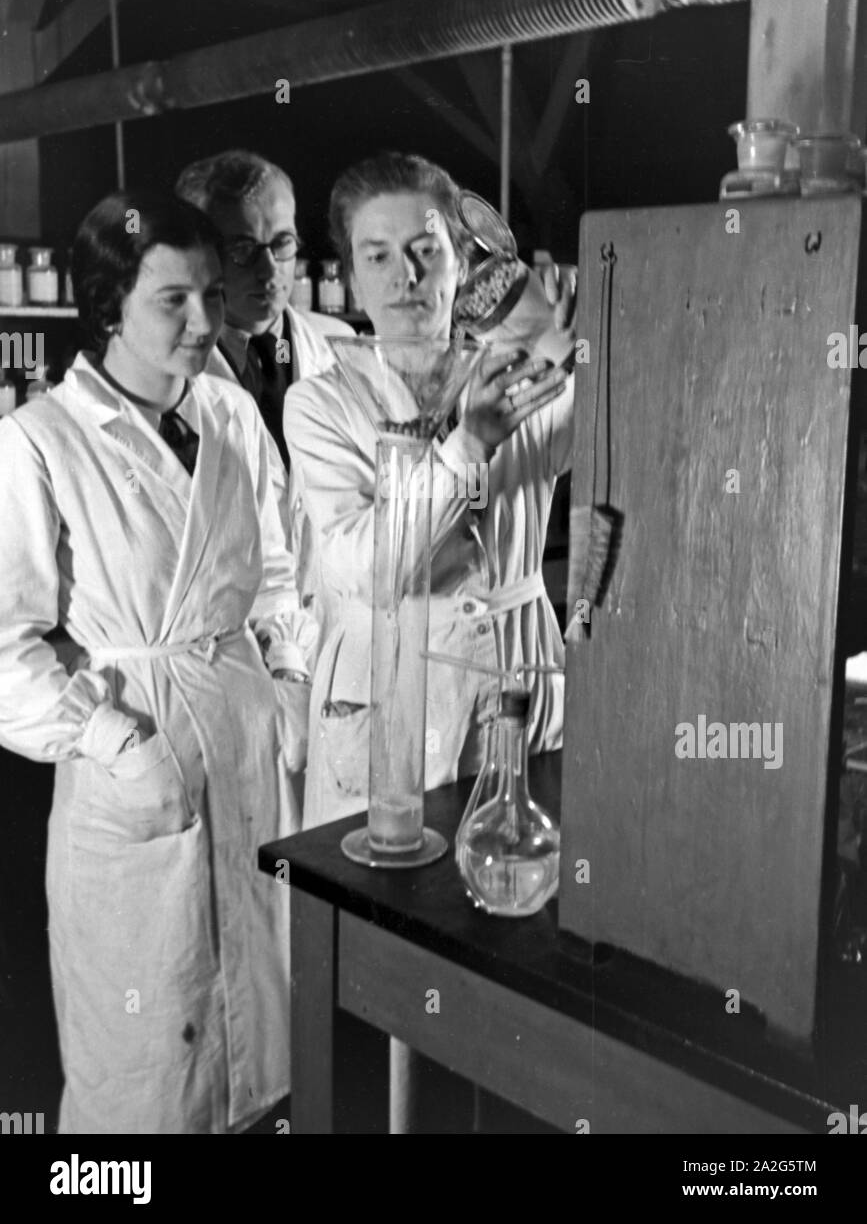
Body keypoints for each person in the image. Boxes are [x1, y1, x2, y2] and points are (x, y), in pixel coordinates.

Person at [0, 192, 317, 1134]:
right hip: (132, 770)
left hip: (245, 741)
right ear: (107, 307)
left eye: (213, 296)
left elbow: (276, 571)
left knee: (263, 1048)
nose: (204, 322)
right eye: (171, 300)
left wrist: (290, 685)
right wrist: (116, 742)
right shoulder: (39, 442)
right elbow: (5, 648)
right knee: (144, 1070)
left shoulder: (228, 411)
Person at [283, 153, 575, 830]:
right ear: (351, 279)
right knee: (382, 909)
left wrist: (580, 353)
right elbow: (366, 565)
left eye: (424, 250)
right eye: (377, 256)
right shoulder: (322, 404)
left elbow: (626, 443)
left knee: (515, 885)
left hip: (516, 669)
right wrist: (466, 446)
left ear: (459, 261)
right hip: (386, 686)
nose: (405, 277)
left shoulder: (521, 370)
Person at [175, 151, 353, 620]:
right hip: (233, 639)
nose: (270, 269)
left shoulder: (345, 349)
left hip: (338, 631)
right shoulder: (171, 378)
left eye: (282, 243)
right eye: (242, 249)